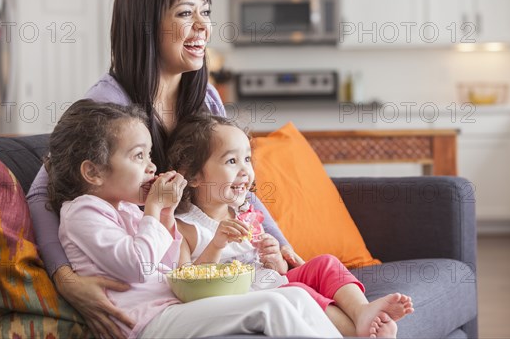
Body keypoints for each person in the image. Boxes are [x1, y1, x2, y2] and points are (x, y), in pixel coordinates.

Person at [26, 0, 304, 337]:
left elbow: (237, 184)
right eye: (186, 13)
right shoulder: (109, 105)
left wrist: (283, 246)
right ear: (144, 26)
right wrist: (66, 279)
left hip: (200, 260)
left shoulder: (204, 97)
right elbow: (43, 191)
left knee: (306, 299)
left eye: (205, 12)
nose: (203, 26)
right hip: (160, 281)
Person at [45, 99, 341, 339]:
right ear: (93, 172)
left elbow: (171, 265)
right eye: (138, 157)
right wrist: (153, 209)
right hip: (146, 323)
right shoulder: (82, 212)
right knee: (271, 305)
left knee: (296, 298)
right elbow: (138, 266)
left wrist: (164, 213)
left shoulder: (123, 209)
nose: (151, 167)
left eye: (150, 156)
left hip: (172, 308)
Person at [166, 114, 415, 338]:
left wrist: (274, 258)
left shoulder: (244, 214)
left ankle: (362, 311)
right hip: (247, 296)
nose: (245, 170)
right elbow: (187, 286)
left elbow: (278, 270)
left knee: (325, 263)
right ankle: (357, 333)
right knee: (299, 291)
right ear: (193, 175)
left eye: (247, 159)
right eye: (231, 161)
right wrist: (217, 244)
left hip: (269, 278)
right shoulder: (184, 226)